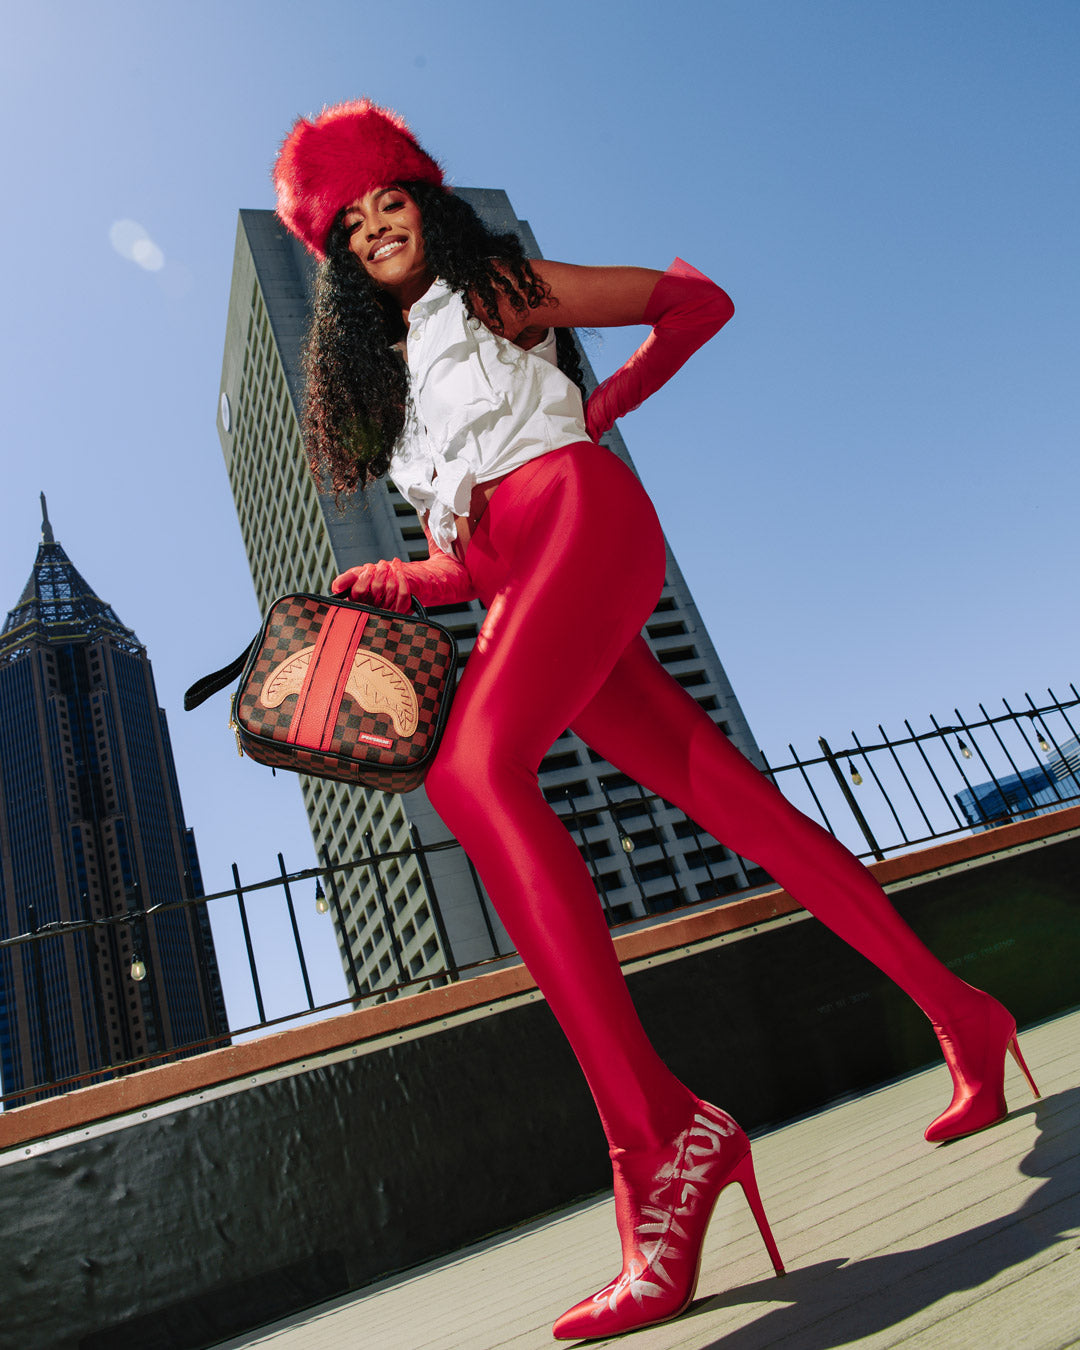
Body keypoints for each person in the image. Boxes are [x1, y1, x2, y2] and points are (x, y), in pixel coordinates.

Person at [272, 100, 1040, 1341]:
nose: (373, 229)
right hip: (525, 574)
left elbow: (694, 303)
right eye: (347, 225)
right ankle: (964, 1013)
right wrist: (409, 579)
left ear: (426, 199)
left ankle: (661, 1139)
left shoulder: (497, 289)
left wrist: (603, 404)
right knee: (747, 814)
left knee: (472, 773)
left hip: (584, 521)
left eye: (387, 201)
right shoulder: (401, 390)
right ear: (339, 261)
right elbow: (471, 560)